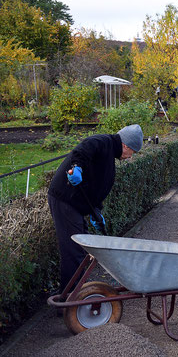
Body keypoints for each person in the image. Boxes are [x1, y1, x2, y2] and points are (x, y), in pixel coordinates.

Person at [48, 124, 144, 294]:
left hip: (76, 204)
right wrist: (76, 167)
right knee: (73, 249)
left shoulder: (109, 156)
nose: (130, 157)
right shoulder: (102, 141)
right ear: (125, 145)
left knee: (82, 247)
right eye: (132, 152)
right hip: (65, 199)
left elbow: (95, 188)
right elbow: (81, 150)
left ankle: (71, 291)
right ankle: (70, 298)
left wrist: (96, 211)